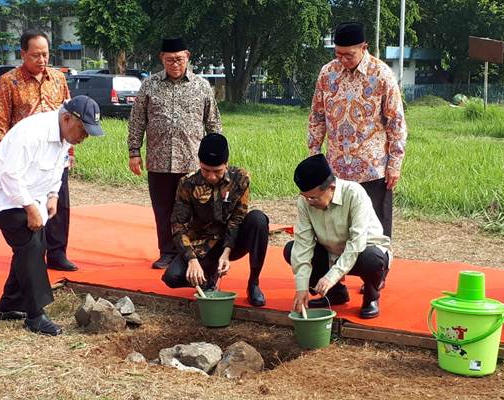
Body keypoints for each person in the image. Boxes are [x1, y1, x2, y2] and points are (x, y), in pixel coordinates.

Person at [0, 96, 105, 335]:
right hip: (1, 195)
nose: (84, 137)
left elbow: (57, 167)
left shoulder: (64, 134)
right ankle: (35, 315)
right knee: (30, 245)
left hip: (32, 195)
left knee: (34, 245)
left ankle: (9, 306)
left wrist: (53, 195)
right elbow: (10, 176)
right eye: (83, 130)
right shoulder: (32, 133)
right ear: (67, 118)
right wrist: (31, 208)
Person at [128, 37, 222, 270]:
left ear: (188, 57)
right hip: (158, 160)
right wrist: (134, 151)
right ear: (162, 59)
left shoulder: (201, 86)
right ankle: (167, 252)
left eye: (179, 59)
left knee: (195, 210)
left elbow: (213, 124)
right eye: (169, 60)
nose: (175, 64)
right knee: (163, 209)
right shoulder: (149, 85)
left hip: (191, 161)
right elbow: (137, 120)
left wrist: (218, 156)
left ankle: (193, 252)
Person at [307, 22, 407, 239]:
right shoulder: (327, 73)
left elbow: (396, 123)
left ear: (364, 47)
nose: (342, 60)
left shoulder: (382, 74)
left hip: (373, 169)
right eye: (338, 54)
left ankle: (376, 270)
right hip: (336, 170)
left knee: (375, 232)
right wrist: (314, 155)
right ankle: (335, 271)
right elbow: (316, 117)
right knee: (336, 228)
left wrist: (394, 165)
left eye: (348, 55)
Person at [0, 29, 75, 272]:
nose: (41, 60)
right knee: (27, 206)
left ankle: (58, 253)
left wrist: (69, 153)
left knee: (59, 204)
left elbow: (70, 115)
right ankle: (32, 253)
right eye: (35, 55)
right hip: (25, 158)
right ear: (23, 54)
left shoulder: (58, 78)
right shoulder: (9, 81)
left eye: (45, 55)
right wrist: (4, 156)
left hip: (55, 153)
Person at [162, 134, 268, 306]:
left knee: (258, 220)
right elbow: (178, 225)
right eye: (205, 170)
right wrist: (192, 260)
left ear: (226, 164)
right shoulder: (187, 184)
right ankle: (207, 278)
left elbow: (238, 218)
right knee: (172, 277)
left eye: (217, 171)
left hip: (233, 240)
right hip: (205, 244)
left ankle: (254, 284)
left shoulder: (240, 178)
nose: (211, 176)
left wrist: (227, 252)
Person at [283, 154, 391, 318]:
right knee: (291, 250)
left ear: (331, 187)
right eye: (305, 197)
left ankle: (371, 297)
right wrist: (301, 288)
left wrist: (331, 277)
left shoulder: (354, 193)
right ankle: (335, 294)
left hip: (362, 252)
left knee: (372, 258)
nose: (309, 202)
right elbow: (303, 244)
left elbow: (357, 243)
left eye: (314, 197)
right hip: (331, 252)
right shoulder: (305, 202)